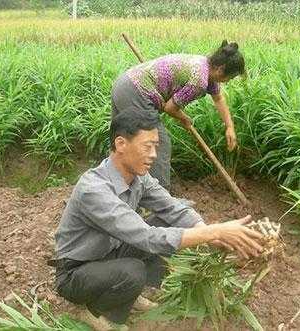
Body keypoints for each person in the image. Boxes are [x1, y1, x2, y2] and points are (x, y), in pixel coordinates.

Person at [53, 109, 262, 330]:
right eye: (147, 146)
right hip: (76, 272)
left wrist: (205, 230)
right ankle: (94, 310)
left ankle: (126, 295)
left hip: (110, 253)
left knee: (173, 221)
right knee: (133, 271)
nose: (154, 154)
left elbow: (172, 207)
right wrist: (215, 232)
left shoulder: (140, 178)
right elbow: (146, 237)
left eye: (156, 146)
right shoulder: (93, 189)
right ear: (121, 144)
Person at [111, 40, 246, 189]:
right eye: (230, 77)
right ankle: (161, 198)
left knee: (123, 140)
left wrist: (230, 127)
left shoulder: (205, 66)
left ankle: (114, 185)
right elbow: (169, 108)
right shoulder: (199, 81)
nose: (227, 81)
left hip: (124, 84)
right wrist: (185, 118)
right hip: (136, 94)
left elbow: (218, 98)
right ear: (221, 69)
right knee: (158, 144)